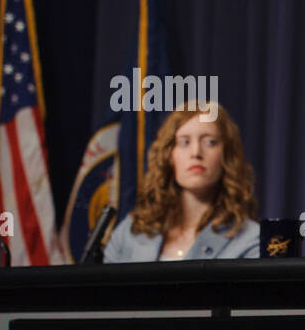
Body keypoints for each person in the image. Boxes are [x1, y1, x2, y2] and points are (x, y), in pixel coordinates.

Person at [103, 104, 260, 262]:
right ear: (169, 156)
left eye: (210, 142)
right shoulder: (131, 231)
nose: (196, 152)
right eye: (184, 142)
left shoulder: (251, 239)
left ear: (227, 155)